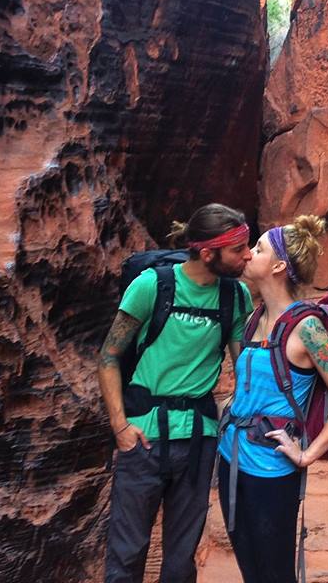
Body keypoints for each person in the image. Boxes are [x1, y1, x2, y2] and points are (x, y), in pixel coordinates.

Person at [98, 203, 253, 583]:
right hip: (143, 437)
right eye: (238, 249)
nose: (247, 255)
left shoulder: (235, 297)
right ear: (207, 252)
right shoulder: (153, 286)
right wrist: (120, 427)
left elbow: (246, 366)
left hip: (198, 440)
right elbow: (108, 357)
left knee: (181, 560)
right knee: (127, 553)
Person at [217, 215, 328, 583]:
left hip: (272, 472)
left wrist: (307, 454)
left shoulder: (307, 328)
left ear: (279, 266)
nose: (248, 254)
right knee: (252, 571)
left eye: (259, 248)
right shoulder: (255, 318)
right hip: (232, 461)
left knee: (276, 574)